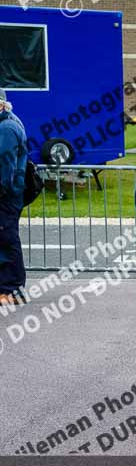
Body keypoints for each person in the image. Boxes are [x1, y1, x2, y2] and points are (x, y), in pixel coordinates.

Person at [0, 89, 27, 305]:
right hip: (10, 194)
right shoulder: (10, 122)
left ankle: (11, 290)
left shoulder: (6, 128)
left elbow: (4, 168)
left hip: (6, 195)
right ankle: (10, 289)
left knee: (7, 239)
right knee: (6, 238)